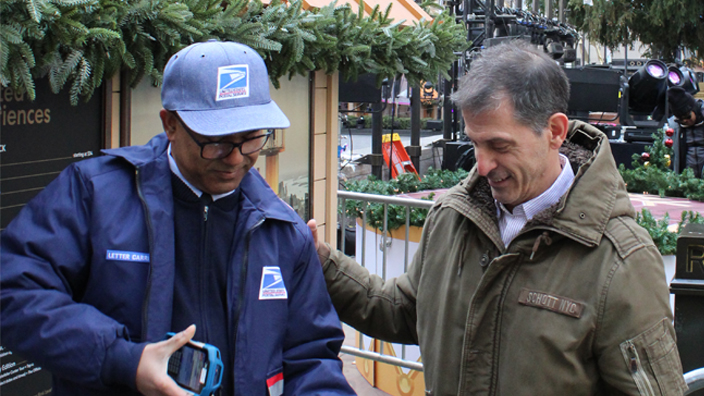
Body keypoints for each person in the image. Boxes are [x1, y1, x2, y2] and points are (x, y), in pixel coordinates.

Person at [308, 41, 687, 395]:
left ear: (554, 131)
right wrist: (322, 263)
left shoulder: (620, 261)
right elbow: (402, 311)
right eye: (475, 143)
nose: (483, 165)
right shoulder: (452, 218)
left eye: (499, 146)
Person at [1, 40, 355, 396]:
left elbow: (311, 358)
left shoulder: (283, 229)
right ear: (170, 124)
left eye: (250, 139)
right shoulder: (93, 194)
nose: (235, 159)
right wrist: (123, 359)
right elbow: (14, 289)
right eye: (215, 141)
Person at [668, 86, 704, 178]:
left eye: (687, 116)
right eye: (681, 119)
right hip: (686, 179)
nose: (685, 121)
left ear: (694, 109)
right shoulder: (674, 128)